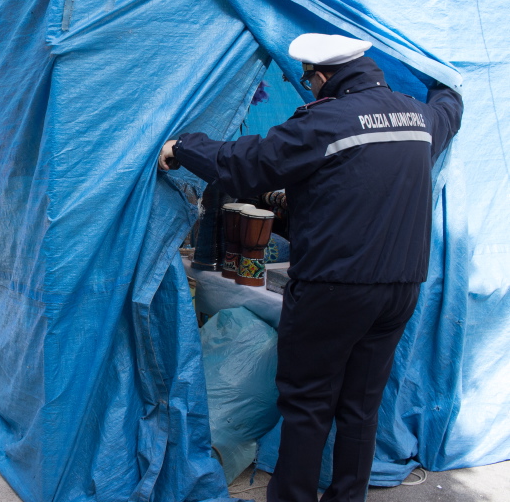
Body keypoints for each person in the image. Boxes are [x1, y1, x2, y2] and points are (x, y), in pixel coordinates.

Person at [158, 33, 463, 502]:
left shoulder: (324, 122)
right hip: (401, 288)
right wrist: (439, 77)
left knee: (307, 405)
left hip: (333, 289)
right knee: (360, 408)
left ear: (321, 76)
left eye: (307, 80)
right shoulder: (420, 117)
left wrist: (184, 147)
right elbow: (451, 107)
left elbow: (248, 165)